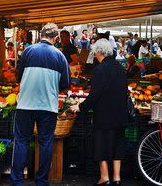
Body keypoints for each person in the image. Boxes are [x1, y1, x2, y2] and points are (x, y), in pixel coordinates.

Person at [11, 23, 70, 186]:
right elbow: (65, 84)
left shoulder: (28, 51)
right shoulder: (60, 56)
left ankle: (16, 181)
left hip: (25, 105)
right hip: (48, 106)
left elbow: (19, 77)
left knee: (21, 141)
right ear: (56, 38)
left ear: (41, 35)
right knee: (45, 143)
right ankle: (42, 181)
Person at [69, 39, 128, 186]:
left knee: (102, 144)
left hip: (104, 115)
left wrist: (80, 107)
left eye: (95, 52)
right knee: (117, 145)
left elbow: (94, 95)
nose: (94, 55)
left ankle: (104, 177)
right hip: (120, 114)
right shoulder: (120, 68)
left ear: (100, 52)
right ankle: (117, 178)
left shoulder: (100, 70)